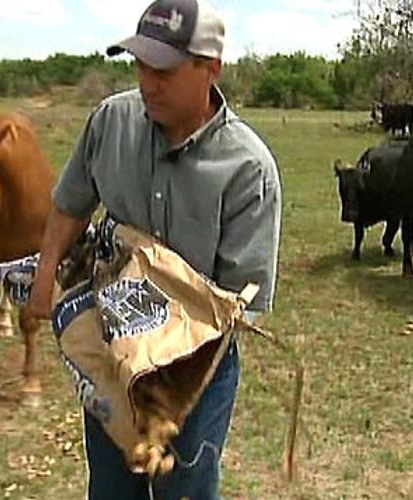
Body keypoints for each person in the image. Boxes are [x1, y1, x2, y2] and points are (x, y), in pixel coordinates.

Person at [26, 0, 282, 497]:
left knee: (187, 484)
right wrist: (45, 272)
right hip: (108, 351)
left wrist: (165, 379)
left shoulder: (248, 169)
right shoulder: (111, 121)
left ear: (211, 68)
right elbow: (71, 204)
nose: (148, 82)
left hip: (196, 370)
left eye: (163, 69)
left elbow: (234, 305)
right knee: (111, 484)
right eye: (141, 65)